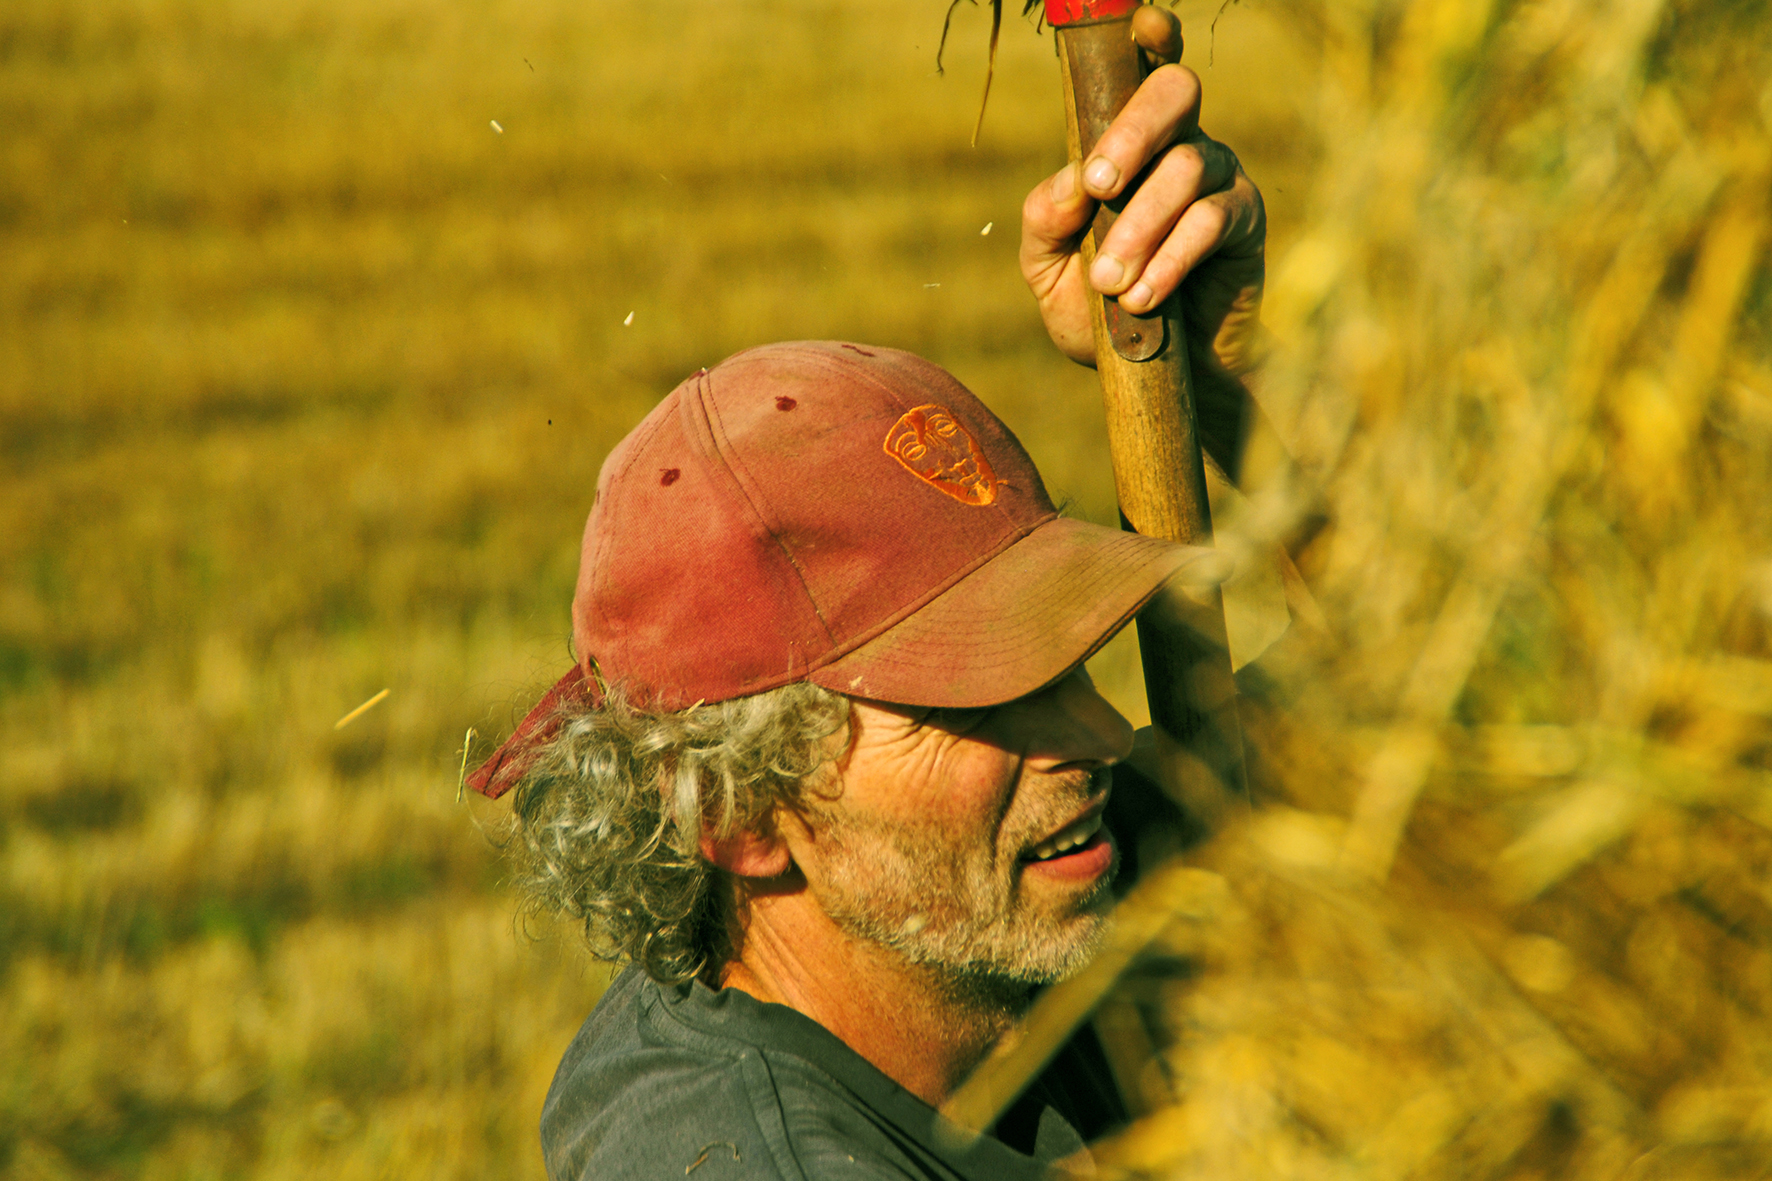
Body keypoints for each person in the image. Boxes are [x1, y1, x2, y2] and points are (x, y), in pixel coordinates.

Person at [465, 9, 1267, 1178]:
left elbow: (1492, 693)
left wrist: (1235, 368)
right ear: (733, 814)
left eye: (1065, 657)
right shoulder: (748, 1160)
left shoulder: (1030, 885)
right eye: (977, 700)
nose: (1096, 735)